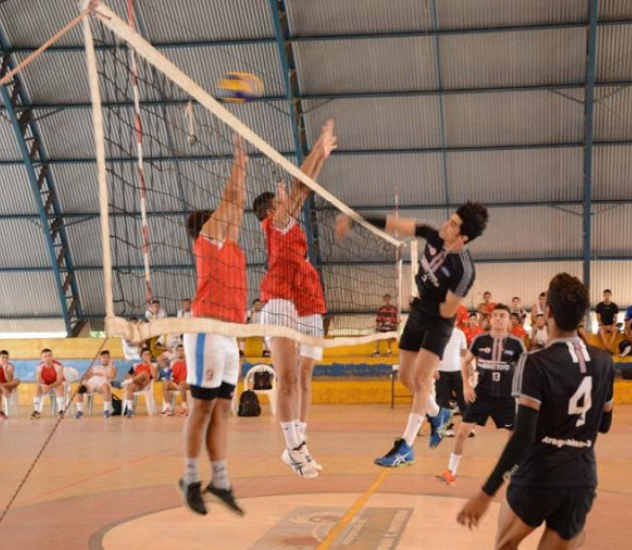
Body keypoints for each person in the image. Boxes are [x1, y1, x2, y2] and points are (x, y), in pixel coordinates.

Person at [457, 273, 615, 549]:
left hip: (539, 477)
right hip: (581, 478)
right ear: (582, 316)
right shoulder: (604, 361)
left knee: (505, 545)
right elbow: (604, 424)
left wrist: (486, 493)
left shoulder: (534, 362)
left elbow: (522, 437)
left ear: (548, 311)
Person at [336, 201, 489, 468]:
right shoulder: (433, 234)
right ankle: (438, 413)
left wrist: (417, 305)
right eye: (449, 219)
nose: (445, 225)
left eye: (453, 225)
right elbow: (395, 224)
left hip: (439, 322)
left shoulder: (464, 271)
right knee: (406, 378)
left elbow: (447, 310)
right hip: (419, 313)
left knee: (421, 379)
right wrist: (354, 217)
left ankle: (406, 447)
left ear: (464, 237)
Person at [252, 121, 337, 479]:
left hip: (300, 301)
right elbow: (302, 187)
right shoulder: (277, 223)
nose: (287, 201)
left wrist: (322, 155)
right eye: (281, 201)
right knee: (287, 378)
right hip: (279, 300)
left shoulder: (287, 224)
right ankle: (292, 448)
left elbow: (305, 188)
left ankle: (298, 444)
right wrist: (317, 150)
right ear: (272, 210)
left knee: (301, 378)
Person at [180, 134, 249, 515]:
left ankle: (220, 481)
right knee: (201, 410)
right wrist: (238, 162)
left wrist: (245, 163)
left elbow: (236, 204)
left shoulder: (231, 246)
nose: (228, 219)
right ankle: (190, 477)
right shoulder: (206, 239)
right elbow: (230, 202)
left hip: (231, 336)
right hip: (207, 329)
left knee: (222, 410)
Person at [438, 304, 525, 485]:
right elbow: (465, 363)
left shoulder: (516, 344)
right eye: (495, 316)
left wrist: (521, 394)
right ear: (489, 320)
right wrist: (466, 386)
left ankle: (517, 473)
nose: (499, 318)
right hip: (482, 395)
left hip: (506, 397)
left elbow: (526, 370)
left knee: (514, 437)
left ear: (509, 321)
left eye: (503, 316)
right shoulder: (480, 340)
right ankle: (451, 472)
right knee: (462, 432)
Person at [434, 326, 469, 427]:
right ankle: (446, 427)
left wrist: (469, 365)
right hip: (441, 372)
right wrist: (433, 369)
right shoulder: (436, 333)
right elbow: (433, 353)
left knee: (463, 399)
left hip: (458, 371)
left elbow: (464, 352)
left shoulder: (460, 333)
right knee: (443, 401)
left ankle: (467, 426)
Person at [73, 350, 116, 419]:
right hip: (92, 383)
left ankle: (106, 410)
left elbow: (112, 376)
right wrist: (92, 375)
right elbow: (86, 376)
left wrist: (111, 365)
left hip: (103, 384)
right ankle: (80, 411)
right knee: (81, 389)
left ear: (110, 358)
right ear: (100, 358)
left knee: (106, 387)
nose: (105, 359)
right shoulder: (94, 367)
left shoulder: (112, 368)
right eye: (103, 357)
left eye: (107, 357)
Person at [31, 349, 65, 419]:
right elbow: (39, 380)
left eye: (49, 356)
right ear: (42, 358)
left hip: (55, 383)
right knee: (38, 388)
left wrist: (48, 387)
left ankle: (61, 411)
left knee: (60, 387)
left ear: (52, 357)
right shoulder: (39, 367)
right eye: (45, 356)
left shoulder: (58, 366)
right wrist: (43, 386)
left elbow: (59, 381)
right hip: (46, 384)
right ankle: (36, 411)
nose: (47, 358)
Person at [161, 344, 188, 416]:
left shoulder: (189, 362)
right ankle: (168, 408)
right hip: (177, 383)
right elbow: (172, 375)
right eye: (179, 350)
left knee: (182, 384)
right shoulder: (174, 363)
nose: (180, 352)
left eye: (182, 350)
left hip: (188, 384)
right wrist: (170, 378)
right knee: (165, 385)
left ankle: (184, 408)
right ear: (176, 352)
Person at [595, 289, 619, 353]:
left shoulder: (614, 305)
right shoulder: (599, 305)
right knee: (600, 331)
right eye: (605, 295)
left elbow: (616, 319)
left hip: (611, 325)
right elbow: (598, 318)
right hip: (603, 326)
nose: (607, 296)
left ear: (611, 295)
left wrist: (612, 325)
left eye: (608, 295)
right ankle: (608, 349)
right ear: (603, 295)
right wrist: (603, 326)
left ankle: (607, 348)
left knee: (615, 330)